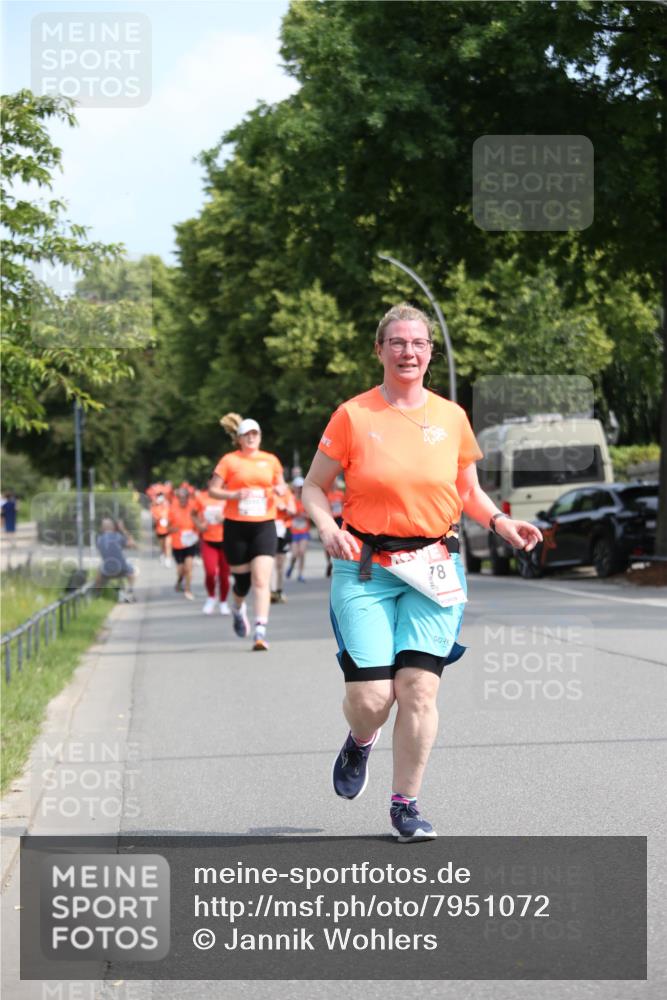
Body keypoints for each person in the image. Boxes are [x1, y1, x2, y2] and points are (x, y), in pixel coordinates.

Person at [303, 303, 542, 842]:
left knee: (418, 689)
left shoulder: (452, 417)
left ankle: (405, 805)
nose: (408, 352)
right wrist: (325, 525)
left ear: (430, 352)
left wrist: (501, 522)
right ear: (379, 350)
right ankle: (360, 740)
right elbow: (314, 486)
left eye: (418, 343)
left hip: (435, 564)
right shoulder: (353, 415)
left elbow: (467, 491)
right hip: (365, 566)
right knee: (372, 700)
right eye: (397, 342)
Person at [208, 414, 287, 651]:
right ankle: (237, 608)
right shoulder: (229, 461)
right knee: (242, 583)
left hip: (264, 524)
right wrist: (233, 494)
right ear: (239, 439)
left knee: (261, 579)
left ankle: (260, 631)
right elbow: (213, 490)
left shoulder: (270, 460)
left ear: (260, 436)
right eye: (247, 434)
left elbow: (281, 484)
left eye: (255, 433)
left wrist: (281, 489)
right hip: (236, 526)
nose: (251, 438)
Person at [193, 482, 231, 615]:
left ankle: (223, 602)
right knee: (210, 573)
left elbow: (238, 516)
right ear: (210, 483)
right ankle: (211, 597)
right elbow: (193, 514)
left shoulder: (229, 496)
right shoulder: (201, 497)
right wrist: (199, 525)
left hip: (226, 541)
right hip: (208, 540)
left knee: (224, 575)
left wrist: (225, 519)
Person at [168, 485, 199, 600]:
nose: (182, 500)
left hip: (190, 542)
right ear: (177, 498)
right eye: (180, 497)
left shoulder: (193, 507)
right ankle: (179, 581)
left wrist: (196, 533)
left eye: (184, 497)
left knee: (189, 567)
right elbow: (167, 527)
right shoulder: (172, 509)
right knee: (181, 569)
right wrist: (172, 529)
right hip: (177, 543)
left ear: (188, 497)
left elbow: (197, 521)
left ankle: (188, 590)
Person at [95, 517, 136, 601]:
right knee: (134, 571)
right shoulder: (118, 536)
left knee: (99, 571)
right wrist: (123, 529)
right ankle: (130, 591)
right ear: (113, 527)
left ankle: (98, 595)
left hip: (106, 571)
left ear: (102, 528)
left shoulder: (99, 539)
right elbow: (132, 544)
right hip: (122, 569)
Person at [271, 484, 297, 604]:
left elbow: (293, 510)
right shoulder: (267, 492)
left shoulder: (286, 493)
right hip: (269, 528)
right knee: (270, 562)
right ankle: (270, 591)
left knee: (280, 564)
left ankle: (279, 590)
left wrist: (284, 508)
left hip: (284, 529)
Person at [285, 476, 311, 583]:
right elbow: (286, 513)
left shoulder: (306, 499)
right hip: (293, 531)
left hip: (304, 530)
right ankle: (291, 566)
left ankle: (301, 574)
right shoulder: (290, 499)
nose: (300, 489)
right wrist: (291, 513)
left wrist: (305, 515)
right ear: (294, 487)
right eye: (298, 487)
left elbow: (311, 515)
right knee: (295, 554)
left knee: (302, 552)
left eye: (301, 487)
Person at [325, 477, 345, 577]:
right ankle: (329, 562)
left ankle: (337, 563)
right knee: (328, 543)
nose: (334, 483)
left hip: (340, 519)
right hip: (330, 519)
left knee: (340, 541)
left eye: (335, 482)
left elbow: (345, 506)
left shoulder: (340, 494)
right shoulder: (327, 495)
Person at [150, 491, 172, 565]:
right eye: (159, 497)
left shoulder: (167, 505)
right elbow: (154, 517)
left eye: (161, 496)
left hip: (168, 529)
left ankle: (168, 558)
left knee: (167, 544)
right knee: (162, 545)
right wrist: (158, 518)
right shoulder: (155, 507)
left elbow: (172, 514)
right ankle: (163, 554)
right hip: (159, 529)